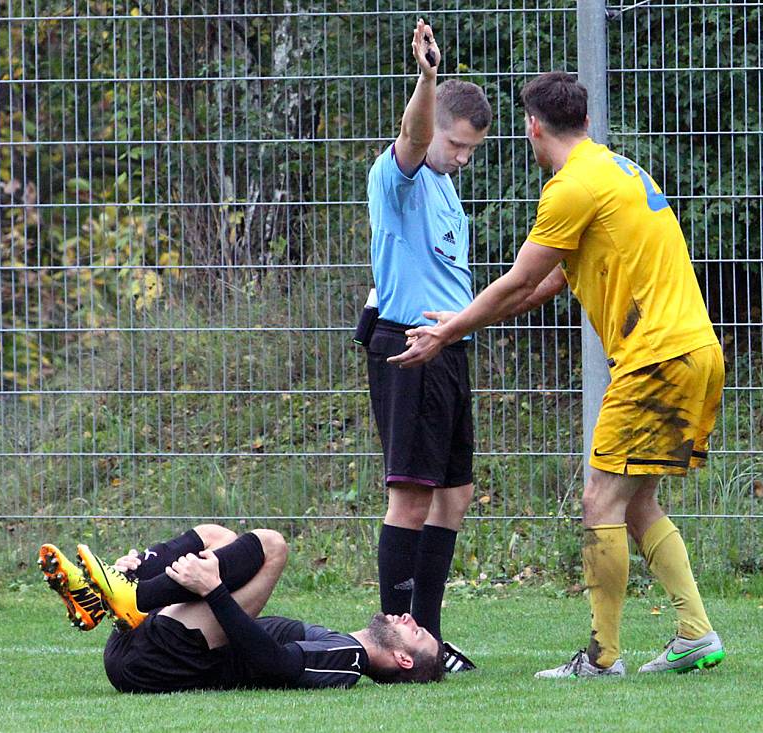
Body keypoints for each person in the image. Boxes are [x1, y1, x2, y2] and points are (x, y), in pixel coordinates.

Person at [388, 71, 726, 678]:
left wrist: (448, 331)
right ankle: (695, 633)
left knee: (600, 498)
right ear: (587, 123)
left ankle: (601, 659)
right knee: (637, 500)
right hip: (695, 351)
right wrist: (464, 321)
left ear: (533, 127)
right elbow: (547, 285)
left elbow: (519, 279)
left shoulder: (571, 189)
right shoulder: (618, 169)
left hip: (654, 358)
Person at [364, 18, 491, 673]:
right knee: (410, 497)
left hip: (448, 350)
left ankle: (431, 639)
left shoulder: (445, 187)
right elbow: (413, 137)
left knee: (454, 493)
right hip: (408, 344)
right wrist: (427, 77)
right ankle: (395, 644)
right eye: (457, 143)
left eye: (472, 149)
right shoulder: (401, 175)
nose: (461, 156)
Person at [38, 523, 445, 691]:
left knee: (272, 546)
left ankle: (133, 593)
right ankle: (120, 586)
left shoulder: (348, 661)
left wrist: (214, 590)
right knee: (219, 537)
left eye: (417, 632)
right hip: (150, 647)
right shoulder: (337, 643)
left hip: (162, 662)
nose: (410, 618)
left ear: (402, 660)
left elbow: (275, 664)